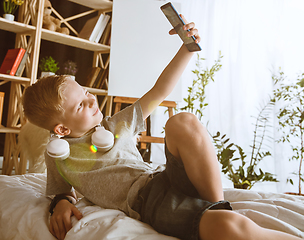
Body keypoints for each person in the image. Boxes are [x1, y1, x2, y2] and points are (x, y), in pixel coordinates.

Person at [22, 16, 302, 240]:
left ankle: (215, 205)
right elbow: (60, 191)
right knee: (229, 227)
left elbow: (159, 90)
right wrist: (60, 202)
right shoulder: (58, 155)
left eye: (85, 92)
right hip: (149, 203)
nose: (91, 98)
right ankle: (220, 219)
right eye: (80, 105)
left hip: (163, 177)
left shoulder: (116, 125)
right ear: (60, 130)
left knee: (182, 121)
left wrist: (186, 48)